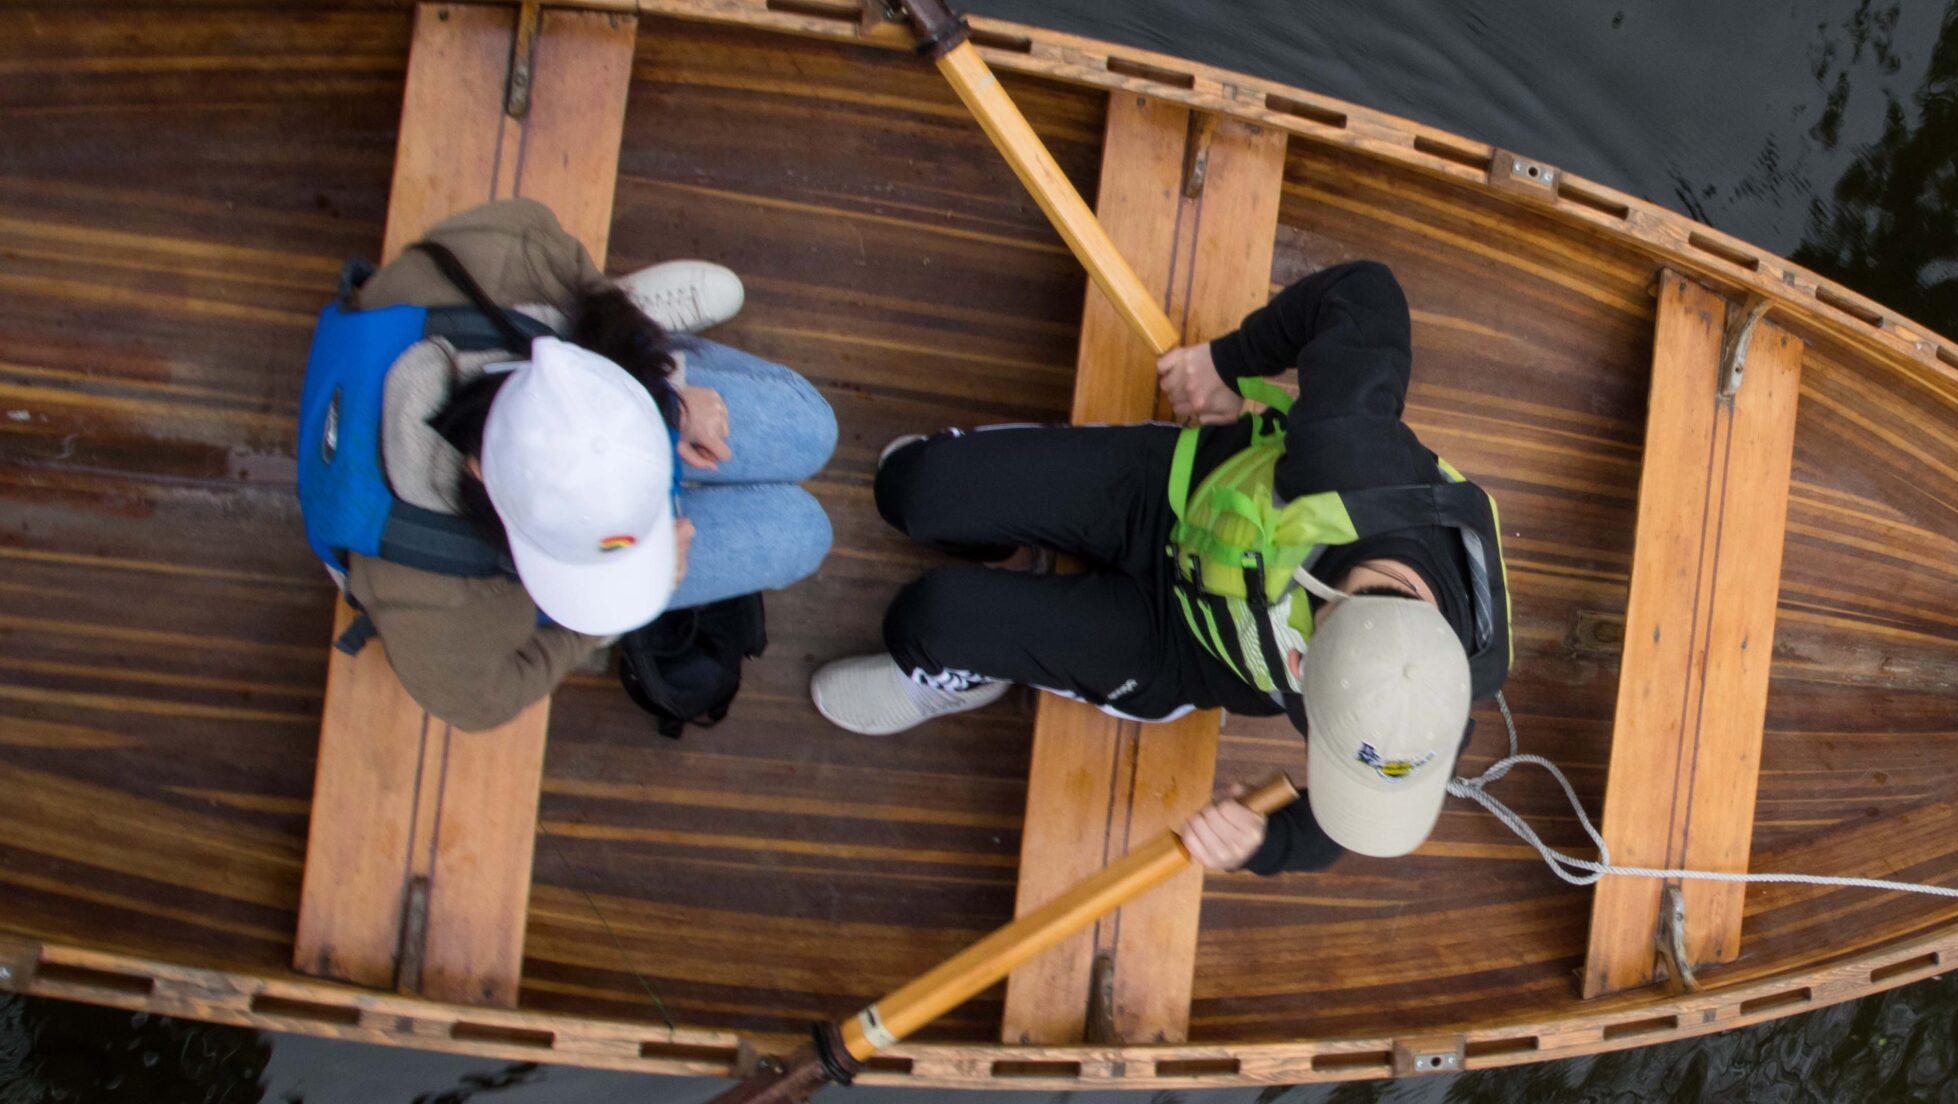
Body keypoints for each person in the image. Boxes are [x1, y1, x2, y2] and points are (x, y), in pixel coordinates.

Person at [810, 262, 1511, 874]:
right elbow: (1367, 290)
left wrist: (1262, 843)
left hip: (1179, 651)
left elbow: (1342, 827)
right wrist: (1230, 361)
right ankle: (984, 534)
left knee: (927, 620)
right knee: (909, 488)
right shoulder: (1352, 455)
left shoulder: (1425, 708)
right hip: (1167, 495)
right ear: (1302, 667)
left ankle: (967, 673)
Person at [296, 199, 836, 731]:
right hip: (430, 547)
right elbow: (483, 701)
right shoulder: (439, 607)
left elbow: (577, 275)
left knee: (814, 431)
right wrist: (599, 624)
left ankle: (641, 328)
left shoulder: (508, 252)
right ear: (479, 471)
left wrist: (670, 389)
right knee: (805, 534)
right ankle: (643, 328)